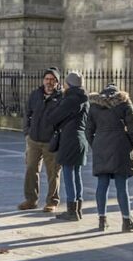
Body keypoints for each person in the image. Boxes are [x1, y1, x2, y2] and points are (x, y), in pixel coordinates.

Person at [87, 84, 133, 232]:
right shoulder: (124, 102)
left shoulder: (94, 105)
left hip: (100, 143)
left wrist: (96, 145)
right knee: (121, 186)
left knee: (102, 183)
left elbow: (88, 130)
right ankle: (126, 220)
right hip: (120, 145)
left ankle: (102, 220)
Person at [47, 71, 91, 222]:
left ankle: (71, 211)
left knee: (68, 173)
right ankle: (77, 209)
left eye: (65, 82)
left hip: (69, 139)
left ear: (69, 84)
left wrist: (58, 102)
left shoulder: (70, 99)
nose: (63, 85)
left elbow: (53, 118)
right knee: (77, 174)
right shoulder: (84, 99)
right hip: (80, 139)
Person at [20, 68, 63, 212]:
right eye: (47, 79)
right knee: (31, 169)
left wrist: (58, 137)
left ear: (57, 82)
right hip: (34, 140)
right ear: (43, 80)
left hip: (51, 142)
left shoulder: (62, 97)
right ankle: (31, 200)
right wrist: (27, 132)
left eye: (53, 79)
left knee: (53, 172)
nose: (49, 82)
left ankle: (52, 201)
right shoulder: (35, 95)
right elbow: (27, 113)